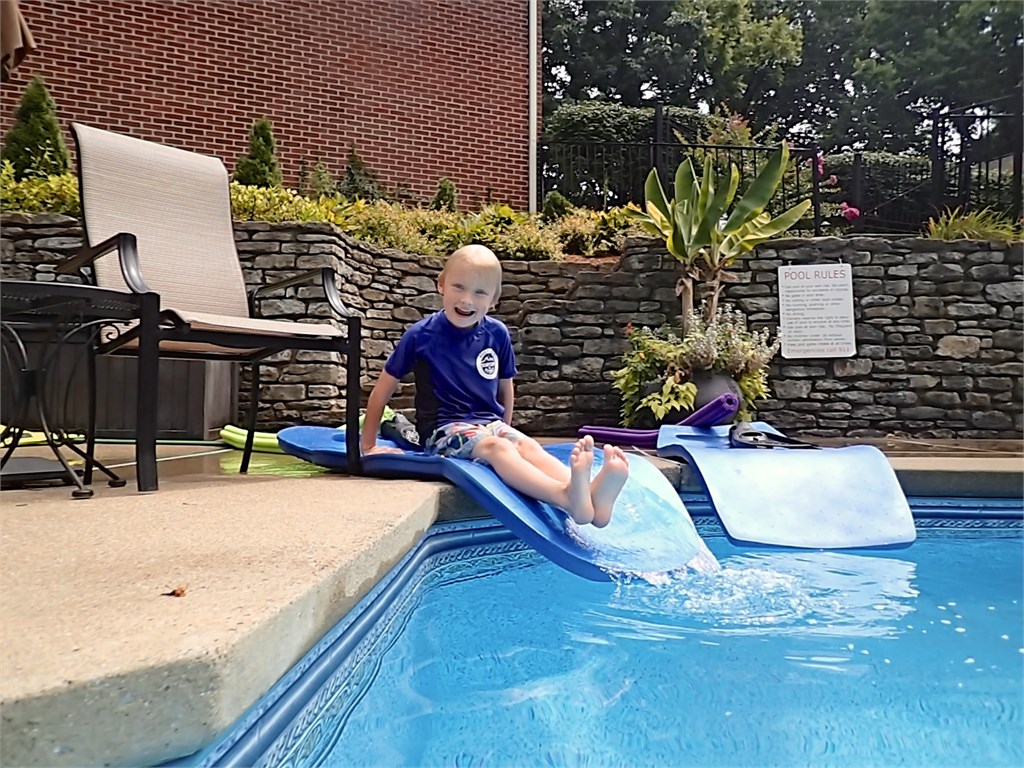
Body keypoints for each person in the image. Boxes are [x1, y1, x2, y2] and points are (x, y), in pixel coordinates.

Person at [360, 244, 629, 528]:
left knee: (527, 445)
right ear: (441, 284)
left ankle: (591, 498)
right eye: (458, 287)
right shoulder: (420, 335)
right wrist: (368, 445)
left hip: (489, 424)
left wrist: (506, 427)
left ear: (494, 300)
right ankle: (565, 497)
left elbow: (505, 387)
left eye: (480, 292)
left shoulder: (496, 333)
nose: (467, 300)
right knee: (498, 449)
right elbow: (383, 388)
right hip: (443, 431)